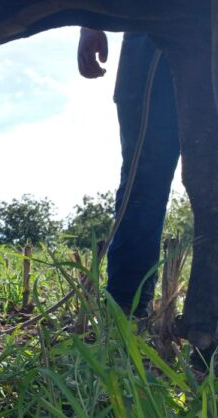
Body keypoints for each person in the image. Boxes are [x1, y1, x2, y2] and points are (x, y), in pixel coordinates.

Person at [77, 28, 180, 317]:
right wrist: (90, 21)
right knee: (143, 176)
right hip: (149, 32)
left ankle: (206, 317)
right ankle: (126, 308)